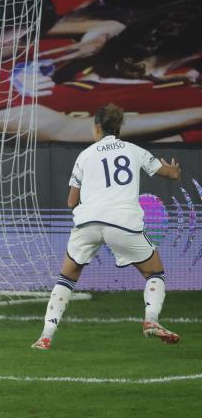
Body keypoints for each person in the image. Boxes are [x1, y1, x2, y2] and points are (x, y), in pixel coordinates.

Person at [31, 104, 182, 350]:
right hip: (122, 221)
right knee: (154, 272)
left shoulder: (85, 155)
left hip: (88, 221)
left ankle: (45, 336)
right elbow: (169, 174)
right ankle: (151, 320)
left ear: (97, 128)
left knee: (67, 277)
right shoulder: (134, 150)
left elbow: (71, 201)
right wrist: (174, 171)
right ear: (118, 127)